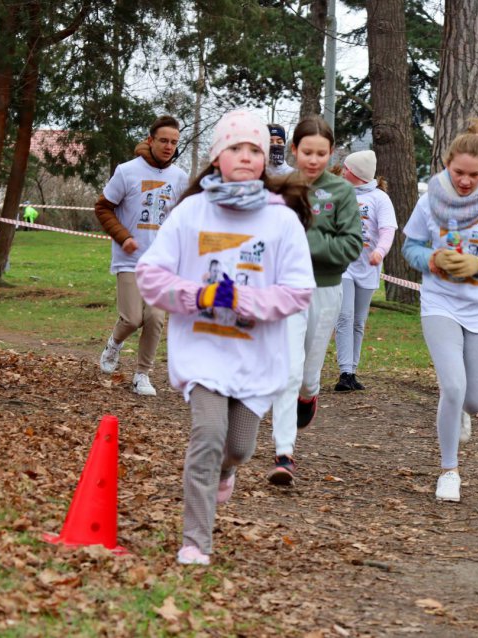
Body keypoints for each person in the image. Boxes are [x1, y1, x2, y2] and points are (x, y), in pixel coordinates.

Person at [135, 110, 315, 565]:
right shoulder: (192, 212)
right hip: (204, 353)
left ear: (264, 160)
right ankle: (196, 541)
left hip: (256, 358)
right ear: (217, 157)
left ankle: (227, 472)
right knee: (208, 436)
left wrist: (245, 302)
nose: (245, 156)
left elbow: (299, 291)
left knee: (237, 448)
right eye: (236, 147)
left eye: (254, 149)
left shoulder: (282, 221)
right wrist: (200, 295)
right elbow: (150, 276)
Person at [402, 115, 478, 503]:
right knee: (452, 387)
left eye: (474, 174)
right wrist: (433, 261)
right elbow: (410, 249)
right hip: (440, 302)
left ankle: (462, 412)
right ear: (446, 165)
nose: (465, 181)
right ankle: (449, 470)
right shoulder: (429, 201)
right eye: (458, 172)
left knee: (474, 400)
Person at [268, 116, 363, 485]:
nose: (314, 160)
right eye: (307, 152)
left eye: (321, 153)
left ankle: (310, 397)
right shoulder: (278, 188)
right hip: (285, 290)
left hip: (325, 289)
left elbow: (351, 245)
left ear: (331, 154)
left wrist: (304, 243)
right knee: (288, 371)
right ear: (294, 150)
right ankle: (284, 454)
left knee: (307, 377)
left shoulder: (340, 192)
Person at [95, 115, 189, 396]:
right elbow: (103, 208)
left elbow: (183, 219)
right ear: (150, 140)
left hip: (161, 264)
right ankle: (114, 344)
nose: (169, 146)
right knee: (132, 318)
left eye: (174, 142)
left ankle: (142, 375)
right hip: (130, 260)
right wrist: (124, 237)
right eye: (163, 140)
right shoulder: (127, 171)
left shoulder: (180, 178)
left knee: (156, 319)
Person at [333, 150, 397, 392]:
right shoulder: (340, 193)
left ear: (356, 173)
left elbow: (388, 230)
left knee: (359, 321)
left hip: (368, 267)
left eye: (346, 168)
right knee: (345, 317)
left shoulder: (380, 199)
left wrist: (379, 251)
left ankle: (353, 371)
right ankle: (345, 372)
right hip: (344, 266)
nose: (342, 171)